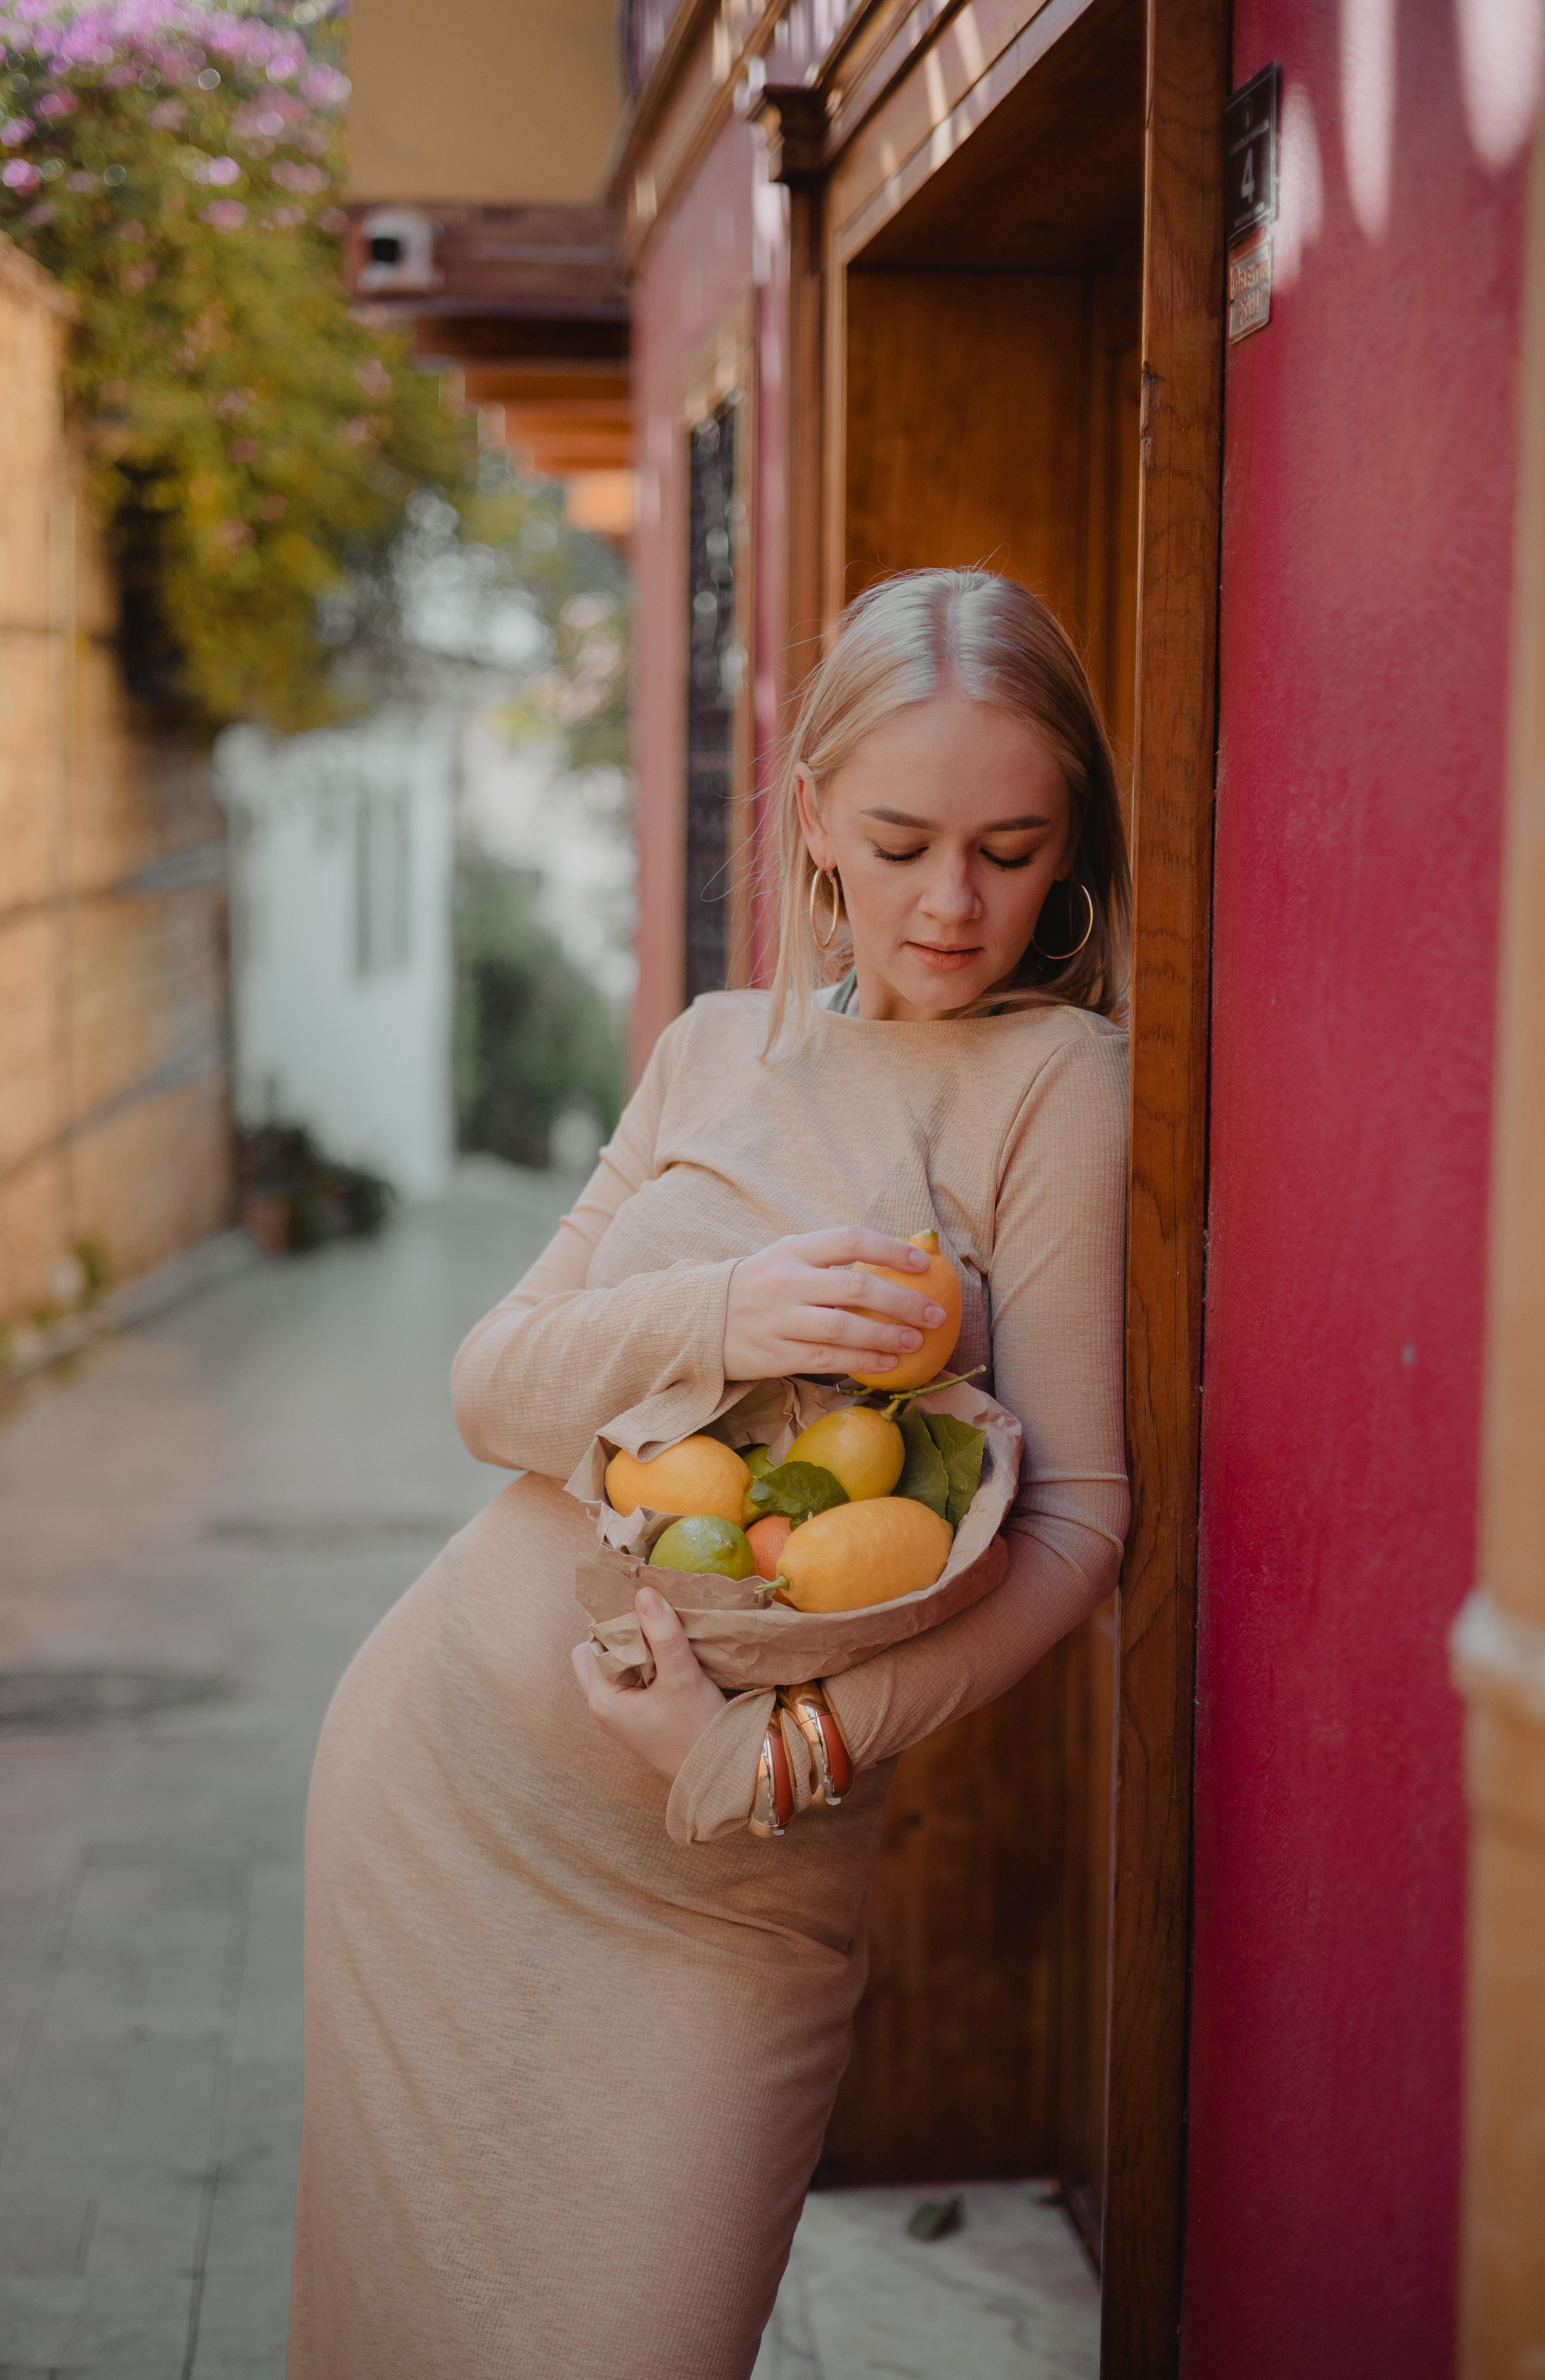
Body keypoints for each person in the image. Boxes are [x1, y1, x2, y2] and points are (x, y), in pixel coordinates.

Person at [288, 568, 1131, 2380]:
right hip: (434, 1793)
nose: (955, 903)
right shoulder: (710, 1048)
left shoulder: (1057, 1081)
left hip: (728, 1879)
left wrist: (794, 1749)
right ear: (814, 815)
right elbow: (491, 1389)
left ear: (1072, 849)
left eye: (1012, 846)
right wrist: (728, 1309)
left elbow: (1082, 1520)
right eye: (901, 841)